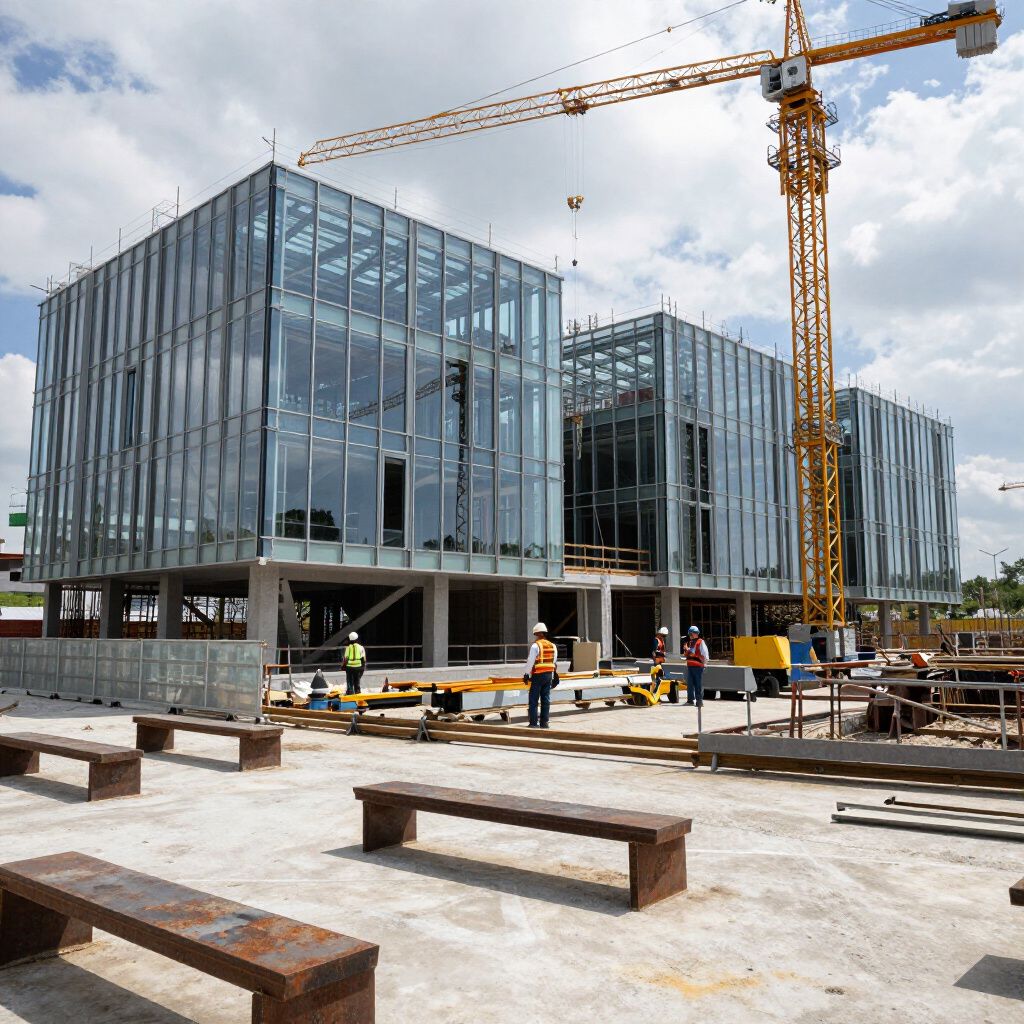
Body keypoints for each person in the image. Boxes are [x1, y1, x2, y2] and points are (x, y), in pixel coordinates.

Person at [523, 622, 557, 729]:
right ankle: (544, 723)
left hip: (538, 675)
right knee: (545, 699)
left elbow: (530, 661)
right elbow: (554, 661)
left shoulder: (535, 646)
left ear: (537, 633)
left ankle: (533, 723)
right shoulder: (553, 646)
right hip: (549, 676)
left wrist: (526, 674)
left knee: (533, 699)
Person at [683, 625, 709, 707]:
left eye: (691, 633)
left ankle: (699, 701)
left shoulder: (700, 642)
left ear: (696, 633)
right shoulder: (691, 643)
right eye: (689, 634)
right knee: (690, 684)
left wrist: (705, 664)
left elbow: (705, 654)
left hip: (698, 667)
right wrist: (686, 651)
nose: (690, 635)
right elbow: (689, 654)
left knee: (698, 684)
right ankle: (690, 700)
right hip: (690, 666)